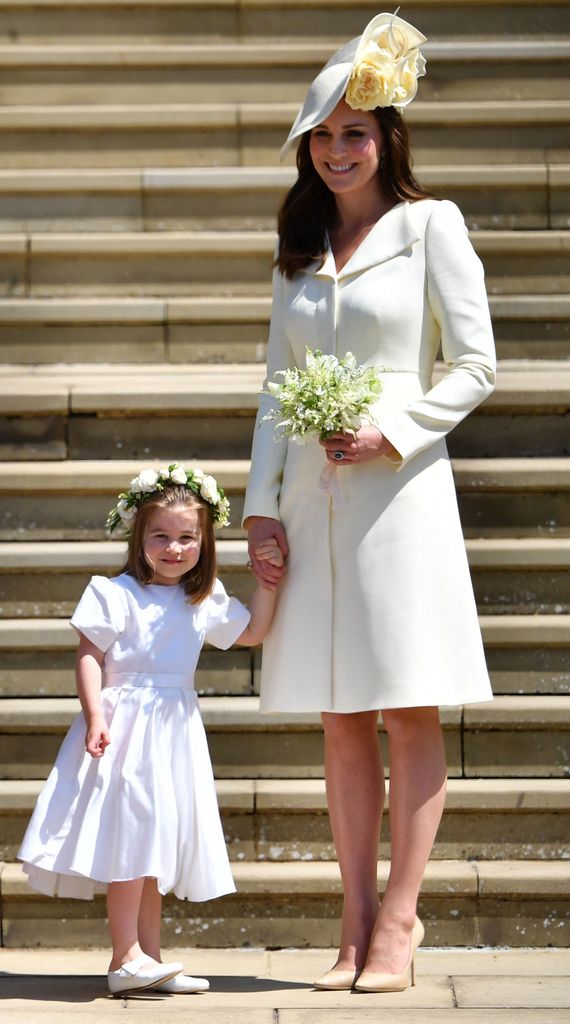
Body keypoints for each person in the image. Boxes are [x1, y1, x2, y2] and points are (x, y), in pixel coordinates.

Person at [243, 12, 496, 994]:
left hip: (402, 501)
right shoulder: (297, 246)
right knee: (339, 713)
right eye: (324, 133)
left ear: (388, 136)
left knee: (405, 703)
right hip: (313, 503)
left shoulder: (435, 225)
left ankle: (400, 921)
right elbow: (275, 386)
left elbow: (476, 363)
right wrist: (261, 508)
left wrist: (398, 426)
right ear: (307, 147)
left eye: (358, 130)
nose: (340, 148)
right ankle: (351, 920)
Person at [19, 464, 283, 997]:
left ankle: (149, 958)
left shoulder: (201, 597)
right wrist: (95, 714)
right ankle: (124, 958)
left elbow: (252, 631)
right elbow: (90, 655)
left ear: (204, 542)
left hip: (173, 730)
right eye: (160, 535)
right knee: (131, 840)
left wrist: (268, 584)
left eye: (187, 537)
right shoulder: (114, 593)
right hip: (124, 727)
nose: (174, 547)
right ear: (138, 537)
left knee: (153, 843)